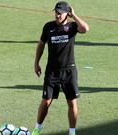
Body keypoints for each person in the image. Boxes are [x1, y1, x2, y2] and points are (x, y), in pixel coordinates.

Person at [32, 1, 89, 135]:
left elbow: (85, 28)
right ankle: (37, 128)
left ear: (67, 14)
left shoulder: (73, 26)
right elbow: (41, 44)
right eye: (56, 12)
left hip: (69, 71)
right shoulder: (48, 27)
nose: (57, 15)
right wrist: (36, 63)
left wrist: (74, 15)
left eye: (60, 13)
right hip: (52, 71)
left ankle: (72, 131)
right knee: (46, 101)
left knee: (71, 103)